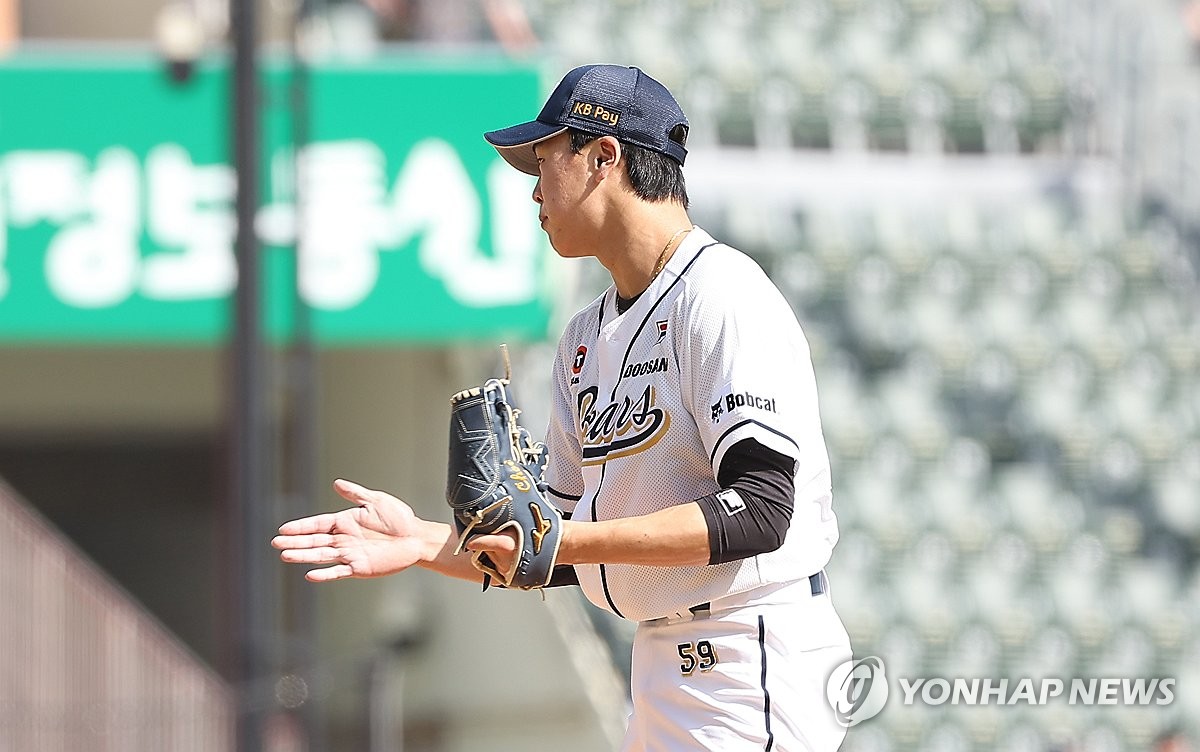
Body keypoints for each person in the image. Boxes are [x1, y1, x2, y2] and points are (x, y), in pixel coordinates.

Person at [273, 64, 852, 751]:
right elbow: (557, 548)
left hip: (748, 651)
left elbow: (758, 510)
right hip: (666, 664)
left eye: (544, 162)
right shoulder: (584, 339)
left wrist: (562, 540)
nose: (534, 192)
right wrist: (425, 542)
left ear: (604, 157)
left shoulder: (721, 295)